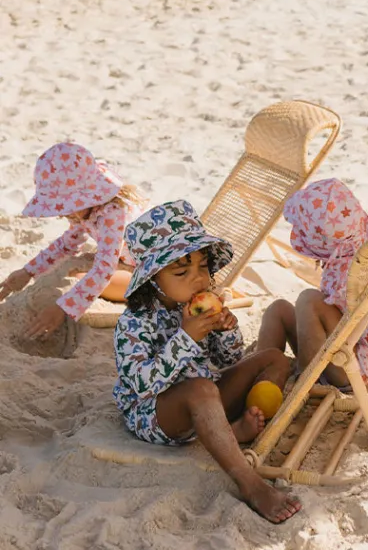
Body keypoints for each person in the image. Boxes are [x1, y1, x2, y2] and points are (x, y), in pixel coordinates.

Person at [113, 199, 301, 524]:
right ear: (152, 278)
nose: (198, 279)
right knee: (200, 389)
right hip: (157, 415)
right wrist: (186, 338)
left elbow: (228, 359)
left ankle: (226, 430)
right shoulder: (134, 323)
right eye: (182, 271)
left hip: (207, 398)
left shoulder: (196, 304)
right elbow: (142, 386)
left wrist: (225, 329)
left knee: (271, 359)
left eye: (203, 266)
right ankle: (250, 483)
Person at [257, 179, 368, 391]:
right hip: (327, 348)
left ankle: (303, 380)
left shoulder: (355, 274)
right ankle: (261, 377)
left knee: (309, 300)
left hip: (349, 366)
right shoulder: (352, 240)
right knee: (278, 309)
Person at [0, 142, 145, 339]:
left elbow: (105, 269)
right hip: (133, 263)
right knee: (78, 275)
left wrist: (64, 308)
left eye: (64, 207)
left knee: (80, 279)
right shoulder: (91, 210)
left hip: (159, 275)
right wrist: (28, 272)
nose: (61, 215)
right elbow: (67, 243)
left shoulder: (112, 214)